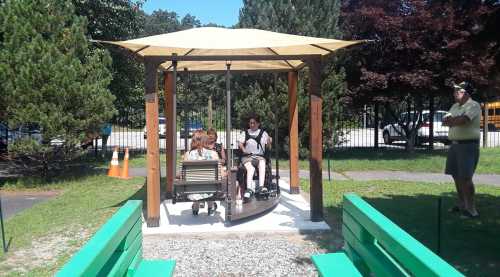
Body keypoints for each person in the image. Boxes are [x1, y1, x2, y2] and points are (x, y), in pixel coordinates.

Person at [442, 81, 481, 219]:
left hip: (468, 146)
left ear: (466, 93)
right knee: (456, 176)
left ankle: (472, 209)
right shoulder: (454, 106)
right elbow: (444, 121)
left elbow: (463, 120)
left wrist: (453, 121)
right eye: (455, 91)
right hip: (455, 145)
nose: (454, 93)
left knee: (466, 178)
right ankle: (461, 204)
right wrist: (453, 121)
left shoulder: (473, 105)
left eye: (457, 91)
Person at [183, 130, 221, 215]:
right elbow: (219, 174)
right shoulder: (214, 154)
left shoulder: (187, 155)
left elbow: (183, 176)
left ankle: (196, 207)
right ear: (206, 140)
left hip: (192, 190)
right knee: (210, 183)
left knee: (195, 183)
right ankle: (210, 206)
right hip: (210, 189)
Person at [238, 114, 272, 200]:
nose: (252, 125)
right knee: (250, 169)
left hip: (259, 156)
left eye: (254, 123)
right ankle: (249, 189)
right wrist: (243, 149)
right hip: (248, 156)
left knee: (262, 163)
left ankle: (261, 187)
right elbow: (240, 143)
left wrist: (269, 143)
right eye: (250, 123)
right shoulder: (245, 132)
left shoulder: (263, 133)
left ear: (258, 123)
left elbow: (268, 147)